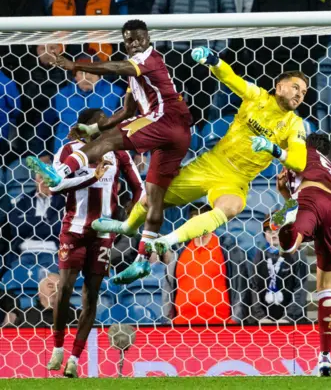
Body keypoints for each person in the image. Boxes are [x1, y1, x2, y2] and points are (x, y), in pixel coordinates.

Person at [91, 46, 308, 277]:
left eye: (304, 92)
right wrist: (213, 61)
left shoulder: (295, 125)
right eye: (295, 87)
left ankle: (167, 240)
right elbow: (231, 78)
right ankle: (127, 227)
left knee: (232, 206)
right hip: (210, 165)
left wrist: (274, 149)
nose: (299, 94)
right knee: (150, 201)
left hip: (236, 180)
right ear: (279, 86)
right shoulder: (257, 97)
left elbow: (299, 161)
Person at [26, 19, 192, 285]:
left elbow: (115, 66)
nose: (134, 43)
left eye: (138, 38)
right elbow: (126, 111)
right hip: (178, 134)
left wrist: (74, 65)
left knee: (108, 142)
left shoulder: (149, 60)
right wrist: (96, 126)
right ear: (123, 41)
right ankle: (141, 262)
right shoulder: (135, 73)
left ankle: (59, 173)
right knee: (152, 197)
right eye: (128, 40)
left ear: (148, 38)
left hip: (164, 120)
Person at [44, 108, 144, 378]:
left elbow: (139, 188)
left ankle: (75, 359)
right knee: (64, 289)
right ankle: (57, 347)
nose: (108, 125)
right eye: (102, 122)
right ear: (88, 126)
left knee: (91, 295)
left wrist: (131, 220)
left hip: (103, 234)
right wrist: (92, 177)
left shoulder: (117, 152)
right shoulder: (69, 150)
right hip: (74, 229)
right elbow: (55, 186)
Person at [270, 132, 331, 376]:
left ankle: (292, 240)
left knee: (286, 228)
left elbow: (298, 200)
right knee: (326, 286)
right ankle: (325, 357)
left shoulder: (302, 153)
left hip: (310, 198)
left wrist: (282, 192)